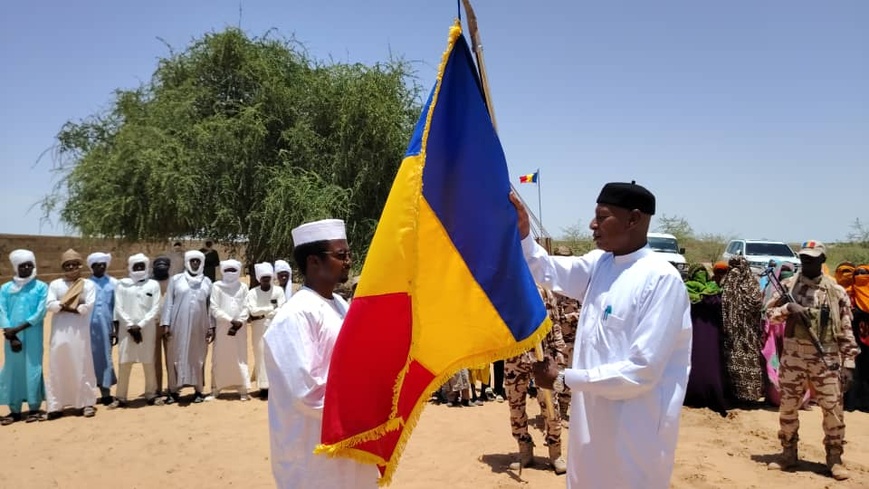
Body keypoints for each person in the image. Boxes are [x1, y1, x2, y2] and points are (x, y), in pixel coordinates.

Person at [514, 181, 692, 489]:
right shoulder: (600, 264)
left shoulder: (661, 280)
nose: (592, 224)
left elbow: (642, 371)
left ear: (633, 219)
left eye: (602, 216)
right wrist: (524, 233)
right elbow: (546, 271)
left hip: (635, 433)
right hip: (591, 426)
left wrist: (563, 379)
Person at [263, 219, 378, 488]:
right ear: (313, 261)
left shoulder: (338, 304)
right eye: (341, 255)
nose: (348, 261)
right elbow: (306, 393)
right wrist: (363, 407)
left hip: (349, 439)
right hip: (313, 452)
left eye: (349, 254)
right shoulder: (295, 315)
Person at [765, 241, 859, 480]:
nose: (807, 261)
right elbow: (769, 316)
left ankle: (834, 459)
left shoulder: (835, 291)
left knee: (833, 411)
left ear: (822, 260)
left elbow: (846, 329)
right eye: (804, 257)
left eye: (812, 258)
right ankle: (788, 453)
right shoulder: (788, 285)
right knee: (788, 408)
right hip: (793, 357)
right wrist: (787, 308)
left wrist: (849, 363)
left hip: (826, 358)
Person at [505, 286, 568, 475]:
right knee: (516, 407)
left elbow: (555, 322)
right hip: (515, 357)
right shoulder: (508, 293)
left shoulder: (544, 291)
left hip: (542, 358)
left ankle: (555, 453)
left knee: (551, 406)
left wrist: (559, 352)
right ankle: (524, 450)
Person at [45, 249, 98, 419]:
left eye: (74, 264)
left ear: (80, 266)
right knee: (57, 365)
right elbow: (51, 305)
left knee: (82, 365)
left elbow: (86, 307)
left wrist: (65, 306)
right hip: (59, 332)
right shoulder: (55, 284)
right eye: (67, 265)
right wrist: (70, 307)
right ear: (63, 267)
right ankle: (56, 405)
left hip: (79, 332)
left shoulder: (88, 284)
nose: (71, 267)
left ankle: (86, 403)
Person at [0, 250, 49, 425]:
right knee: (13, 370)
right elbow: (2, 311)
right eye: (23, 265)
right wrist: (9, 333)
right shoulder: (5, 288)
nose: (27, 267)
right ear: (16, 267)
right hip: (11, 337)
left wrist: (17, 329)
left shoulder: (41, 287)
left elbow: (40, 312)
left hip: (33, 334)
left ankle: (34, 408)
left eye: (30, 264)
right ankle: (14, 411)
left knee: (33, 368)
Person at [110, 253, 162, 408]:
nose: (139, 269)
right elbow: (118, 307)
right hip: (127, 330)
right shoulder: (122, 284)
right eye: (136, 266)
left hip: (147, 328)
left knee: (148, 362)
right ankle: (121, 396)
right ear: (130, 267)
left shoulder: (153, 285)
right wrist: (131, 325)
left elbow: (155, 307)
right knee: (124, 362)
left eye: (142, 266)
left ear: (146, 267)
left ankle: (151, 394)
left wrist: (140, 325)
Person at [161, 250, 212, 404]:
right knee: (175, 356)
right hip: (178, 326)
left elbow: (211, 306)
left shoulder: (207, 282)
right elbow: (168, 303)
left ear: (201, 262)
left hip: (200, 326)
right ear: (187, 262)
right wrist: (166, 324)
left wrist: (211, 326)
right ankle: (174, 391)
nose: (195, 263)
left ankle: (198, 391)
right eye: (192, 261)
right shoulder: (176, 280)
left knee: (198, 357)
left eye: (197, 261)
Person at [683, 264, 729, 416]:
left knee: (694, 358)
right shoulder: (713, 288)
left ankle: (690, 393)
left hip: (693, 330)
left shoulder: (686, 288)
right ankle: (711, 393)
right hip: (710, 331)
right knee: (709, 359)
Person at [721, 255, 764, 403]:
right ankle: (743, 395)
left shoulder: (730, 281)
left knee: (743, 359)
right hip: (741, 332)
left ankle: (745, 395)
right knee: (738, 360)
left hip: (744, 331)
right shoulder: (749, 283)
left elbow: (756, 303)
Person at [210, 259, 251, 401]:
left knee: (240, 357)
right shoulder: (216, 286)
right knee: (220, 357)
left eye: (233, 270)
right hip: (223, 327)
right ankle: (216, 388)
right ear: (222, 271)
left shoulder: (243, 287)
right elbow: (214, 308)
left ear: (238, 271)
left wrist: (239, 321)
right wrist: (229, 320)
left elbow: (247, 305)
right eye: (227, 270)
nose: (230, 273)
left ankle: (242, 389)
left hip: (240, 327)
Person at [246, 262, 286, 399]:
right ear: (259, 278)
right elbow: (252, 310)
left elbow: (282, 308)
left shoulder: (278, 291)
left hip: (275, 327)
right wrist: (269, 310)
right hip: (258, 328)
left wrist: (262, 312)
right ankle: (263, 387)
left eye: (268, 277)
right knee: (260, 355)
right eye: (263, 278)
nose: (266, 280)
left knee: (274, 355)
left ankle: (275, 386)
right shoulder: (252, 293)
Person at [87, 252, 117, 405]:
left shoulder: (113, 283)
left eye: (103, 264)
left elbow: (117, 308)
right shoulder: (85, 284)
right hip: (87, 329)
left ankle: (106, 392)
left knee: (106, 358)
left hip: (106, 327)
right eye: (97, 264)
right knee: (88, 360)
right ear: (91, 267)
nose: (100, 267)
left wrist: (116, 329)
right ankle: (88, 395)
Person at [151, 256, 172, 396]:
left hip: (170, 325)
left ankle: (172, 387)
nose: (161, 267)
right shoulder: (149, 283)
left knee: (171, 358)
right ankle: (157, 388)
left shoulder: (174, 282)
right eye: (159, 265)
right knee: (155, 359)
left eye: (164, 265)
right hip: (153, 325)